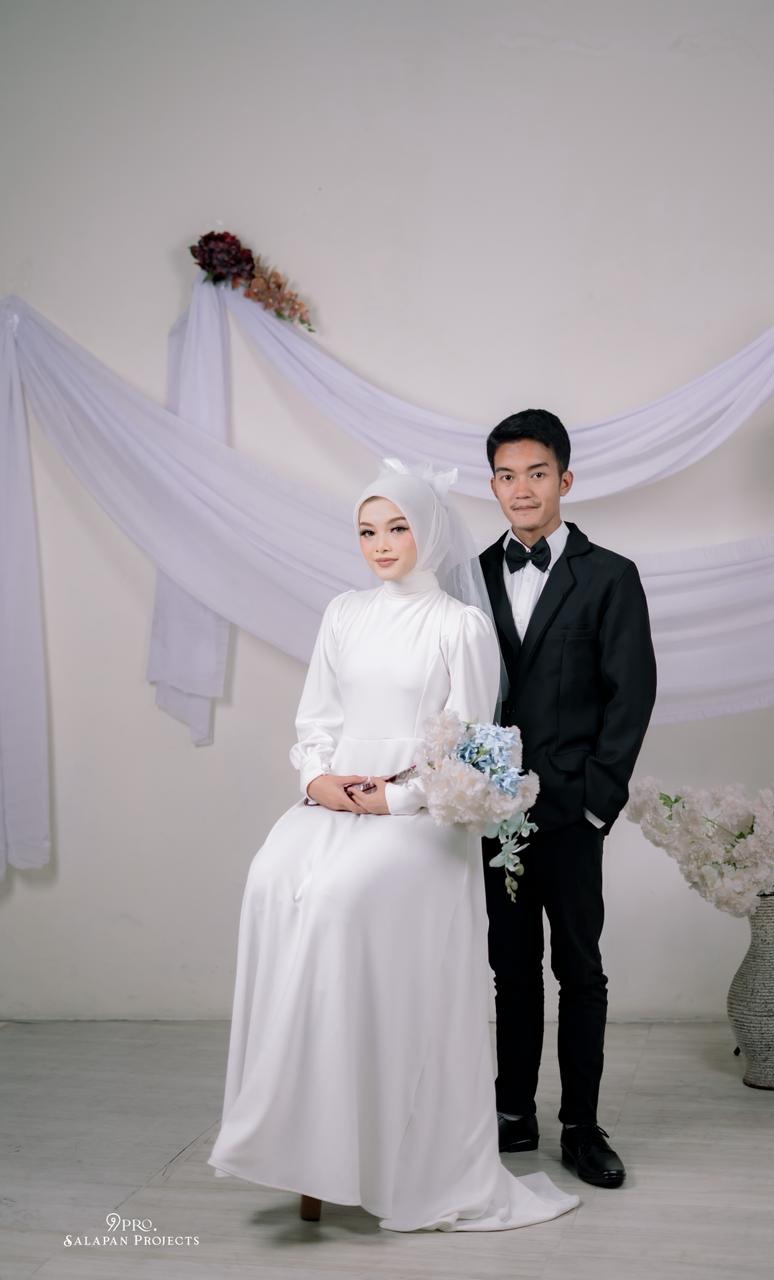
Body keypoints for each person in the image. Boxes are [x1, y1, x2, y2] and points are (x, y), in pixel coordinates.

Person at [207, 459, 581, 1232]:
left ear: (429, 531)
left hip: (420, 820)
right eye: (368, 531)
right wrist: (317, 780)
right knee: (270, 879)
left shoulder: (459, 625)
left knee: (337, 901)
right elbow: (316, 719)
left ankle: (360, 1138)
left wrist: (397, 798)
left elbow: (474, 747)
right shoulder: (343, 613)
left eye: (398, 527)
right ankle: (287, 1132)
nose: (381, 544)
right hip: (335, 802)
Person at [479, 409, 657, 1190]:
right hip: (494, 814)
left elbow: (632, 695)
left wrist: (595, 804)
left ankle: (581, 1127)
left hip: (572, 814)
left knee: (579, 971)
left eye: (537, 474)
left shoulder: (610, 575)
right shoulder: (471, 576)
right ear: (493, 485)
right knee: (509, 970)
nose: (522, 489)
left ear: (565, 480)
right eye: (507, 475)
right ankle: (512, 1112)